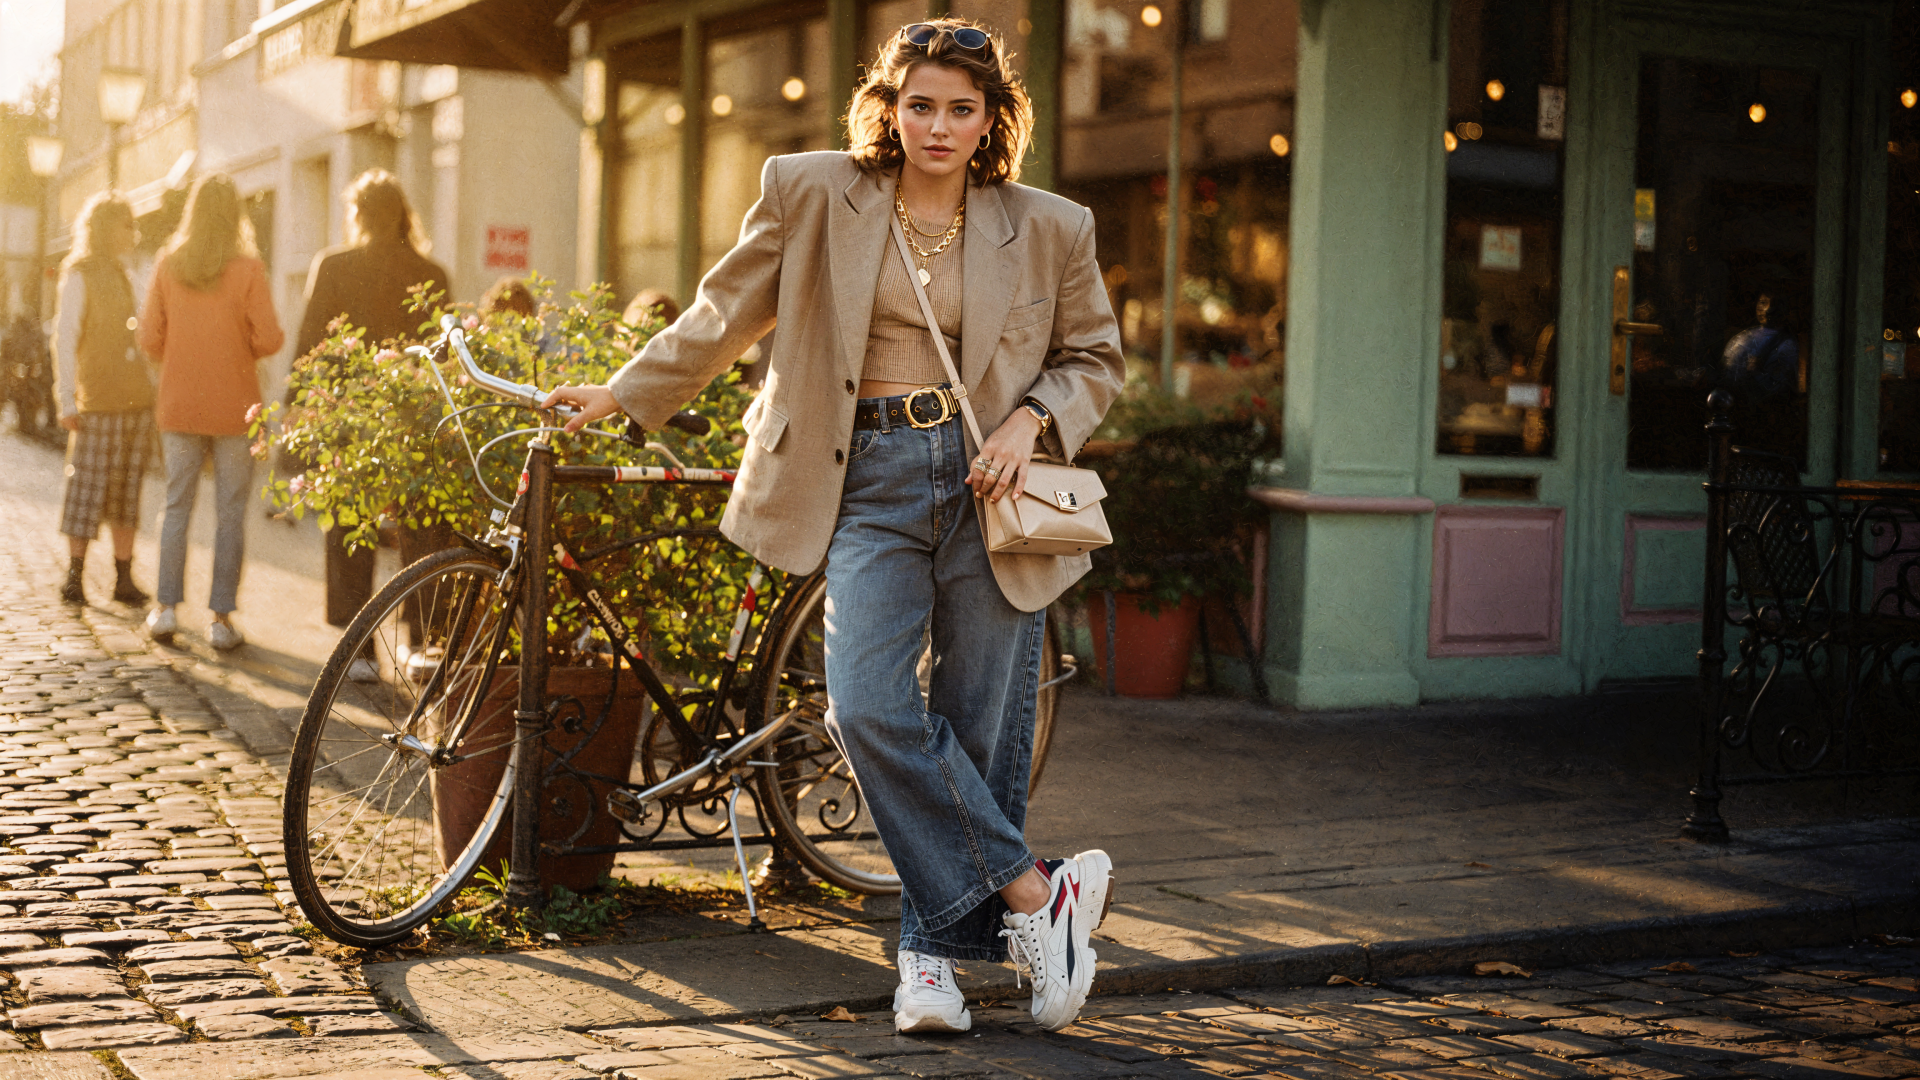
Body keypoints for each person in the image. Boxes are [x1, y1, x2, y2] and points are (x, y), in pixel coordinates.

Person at [542, 19, 1126, 1036]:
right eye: (919, 105)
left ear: (991, 121)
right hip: (864, 478)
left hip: (992, 485)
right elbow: (725, 311)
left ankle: (931, 967)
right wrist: (626, 392)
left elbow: (1095, 359)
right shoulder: (812, 189)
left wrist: (1032, 422)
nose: (937, 127)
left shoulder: (1048, 224)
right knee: (865, 707)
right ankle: (1038, 891)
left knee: (979, 725)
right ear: (888, 109)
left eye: (960, 109)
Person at [295, 170, 450, 682]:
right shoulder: (431, 273)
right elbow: (444, 356)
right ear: (404, 214)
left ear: (357, 213)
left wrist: (300, 404)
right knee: (420, 529)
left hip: (350, 413)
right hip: (413, 416)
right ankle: (421, 641)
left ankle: (359, 648)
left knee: (350, 525)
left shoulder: (334, 266)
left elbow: (311, 342)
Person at [139, 174, 285, 650]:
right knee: (230, 512)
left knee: (175, 505)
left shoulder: (168, 264)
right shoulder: (249, 269)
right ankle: (221, 620)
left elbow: (149, 338)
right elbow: (269, 338)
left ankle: (165, 609)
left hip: (179, 402)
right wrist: (236, 345)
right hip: (235, 405)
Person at [50, 192, 155, 608]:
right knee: (86, 489)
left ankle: (123, 577)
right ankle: (75, 575)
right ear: (107, 228)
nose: (134, 232)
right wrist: (66, 399)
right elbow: (65, 337)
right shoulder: (79, 274)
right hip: (96, 400)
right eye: (127, 224)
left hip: (136, 401)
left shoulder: (129, 274)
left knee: (126, 492)